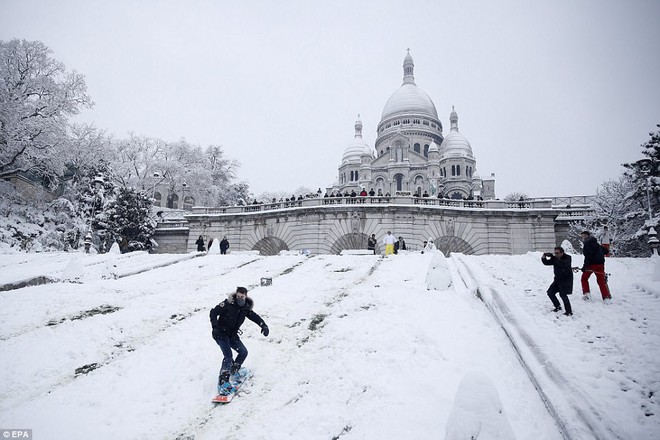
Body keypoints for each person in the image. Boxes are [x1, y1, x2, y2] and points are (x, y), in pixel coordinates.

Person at [210, 287, 269, 393]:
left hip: (232, 335)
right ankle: (223, 383)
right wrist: (214, 326)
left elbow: (254, 317)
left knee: (243, 352)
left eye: (242, 297)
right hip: (220, 334)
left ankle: (234, 371)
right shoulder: (227, 304)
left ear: (245, 296)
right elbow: (213, 312)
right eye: (238, 296)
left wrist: (263, 325)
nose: (239, 299)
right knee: (228, 356)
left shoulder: (245, 308)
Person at [577, 231, 611, 302]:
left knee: (584, 278)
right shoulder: (596, 243)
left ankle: (586, 294)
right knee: (601, 281)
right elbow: (606, 251)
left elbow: (588, 257)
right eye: (582, 236)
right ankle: (606, 297)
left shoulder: (587, 244)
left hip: (591, 265)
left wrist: (584, 267)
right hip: (601, 264)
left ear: (586, 236)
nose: (582, 237)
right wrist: (599, 255)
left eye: (583, 236)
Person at [541, 247, 573, 316]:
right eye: (555, 253)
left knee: (563, 295)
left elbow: (563, 263)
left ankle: (569, 311)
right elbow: (547, 263)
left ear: (562, 252)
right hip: (557, 279)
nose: (556, 254)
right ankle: (558, 306)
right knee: (550, 293)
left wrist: (554, 258)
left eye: (557, 253)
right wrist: (544, 257)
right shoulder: (556, 258)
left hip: (566, 280)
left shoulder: (568, 258)